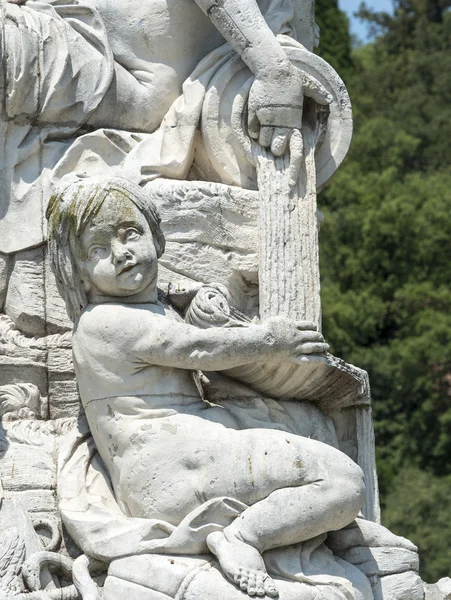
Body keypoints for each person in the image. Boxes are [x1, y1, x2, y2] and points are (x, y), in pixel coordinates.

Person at [47, 177, 365, 598]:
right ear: (81, 273)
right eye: (98, 250)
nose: (121, 254)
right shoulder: (104, 322)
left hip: (188, 449)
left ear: (156, 237)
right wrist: (272, 338)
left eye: (130, 234)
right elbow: (194, 350)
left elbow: (178, 332)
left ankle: (331, 538)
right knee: (342, 479)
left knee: (310, 425)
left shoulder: (147, 307)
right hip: (173, 466)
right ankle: (242, 538)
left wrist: (195, 301)